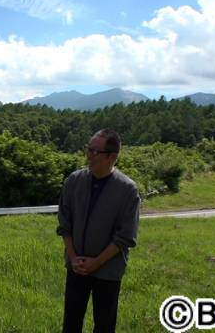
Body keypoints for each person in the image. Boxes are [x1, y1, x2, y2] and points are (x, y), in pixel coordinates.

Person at [56, 128, 140, 333]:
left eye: (95, 151)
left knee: (104, 324)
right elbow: (64, 223)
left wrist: (97, 262)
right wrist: (74, 258)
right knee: (71, 322)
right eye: (88, 149)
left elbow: (125, 236)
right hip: (76, 266)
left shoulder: (127, 189)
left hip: (108, 270)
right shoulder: (74, 181)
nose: (89, 156)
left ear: (112, 156)